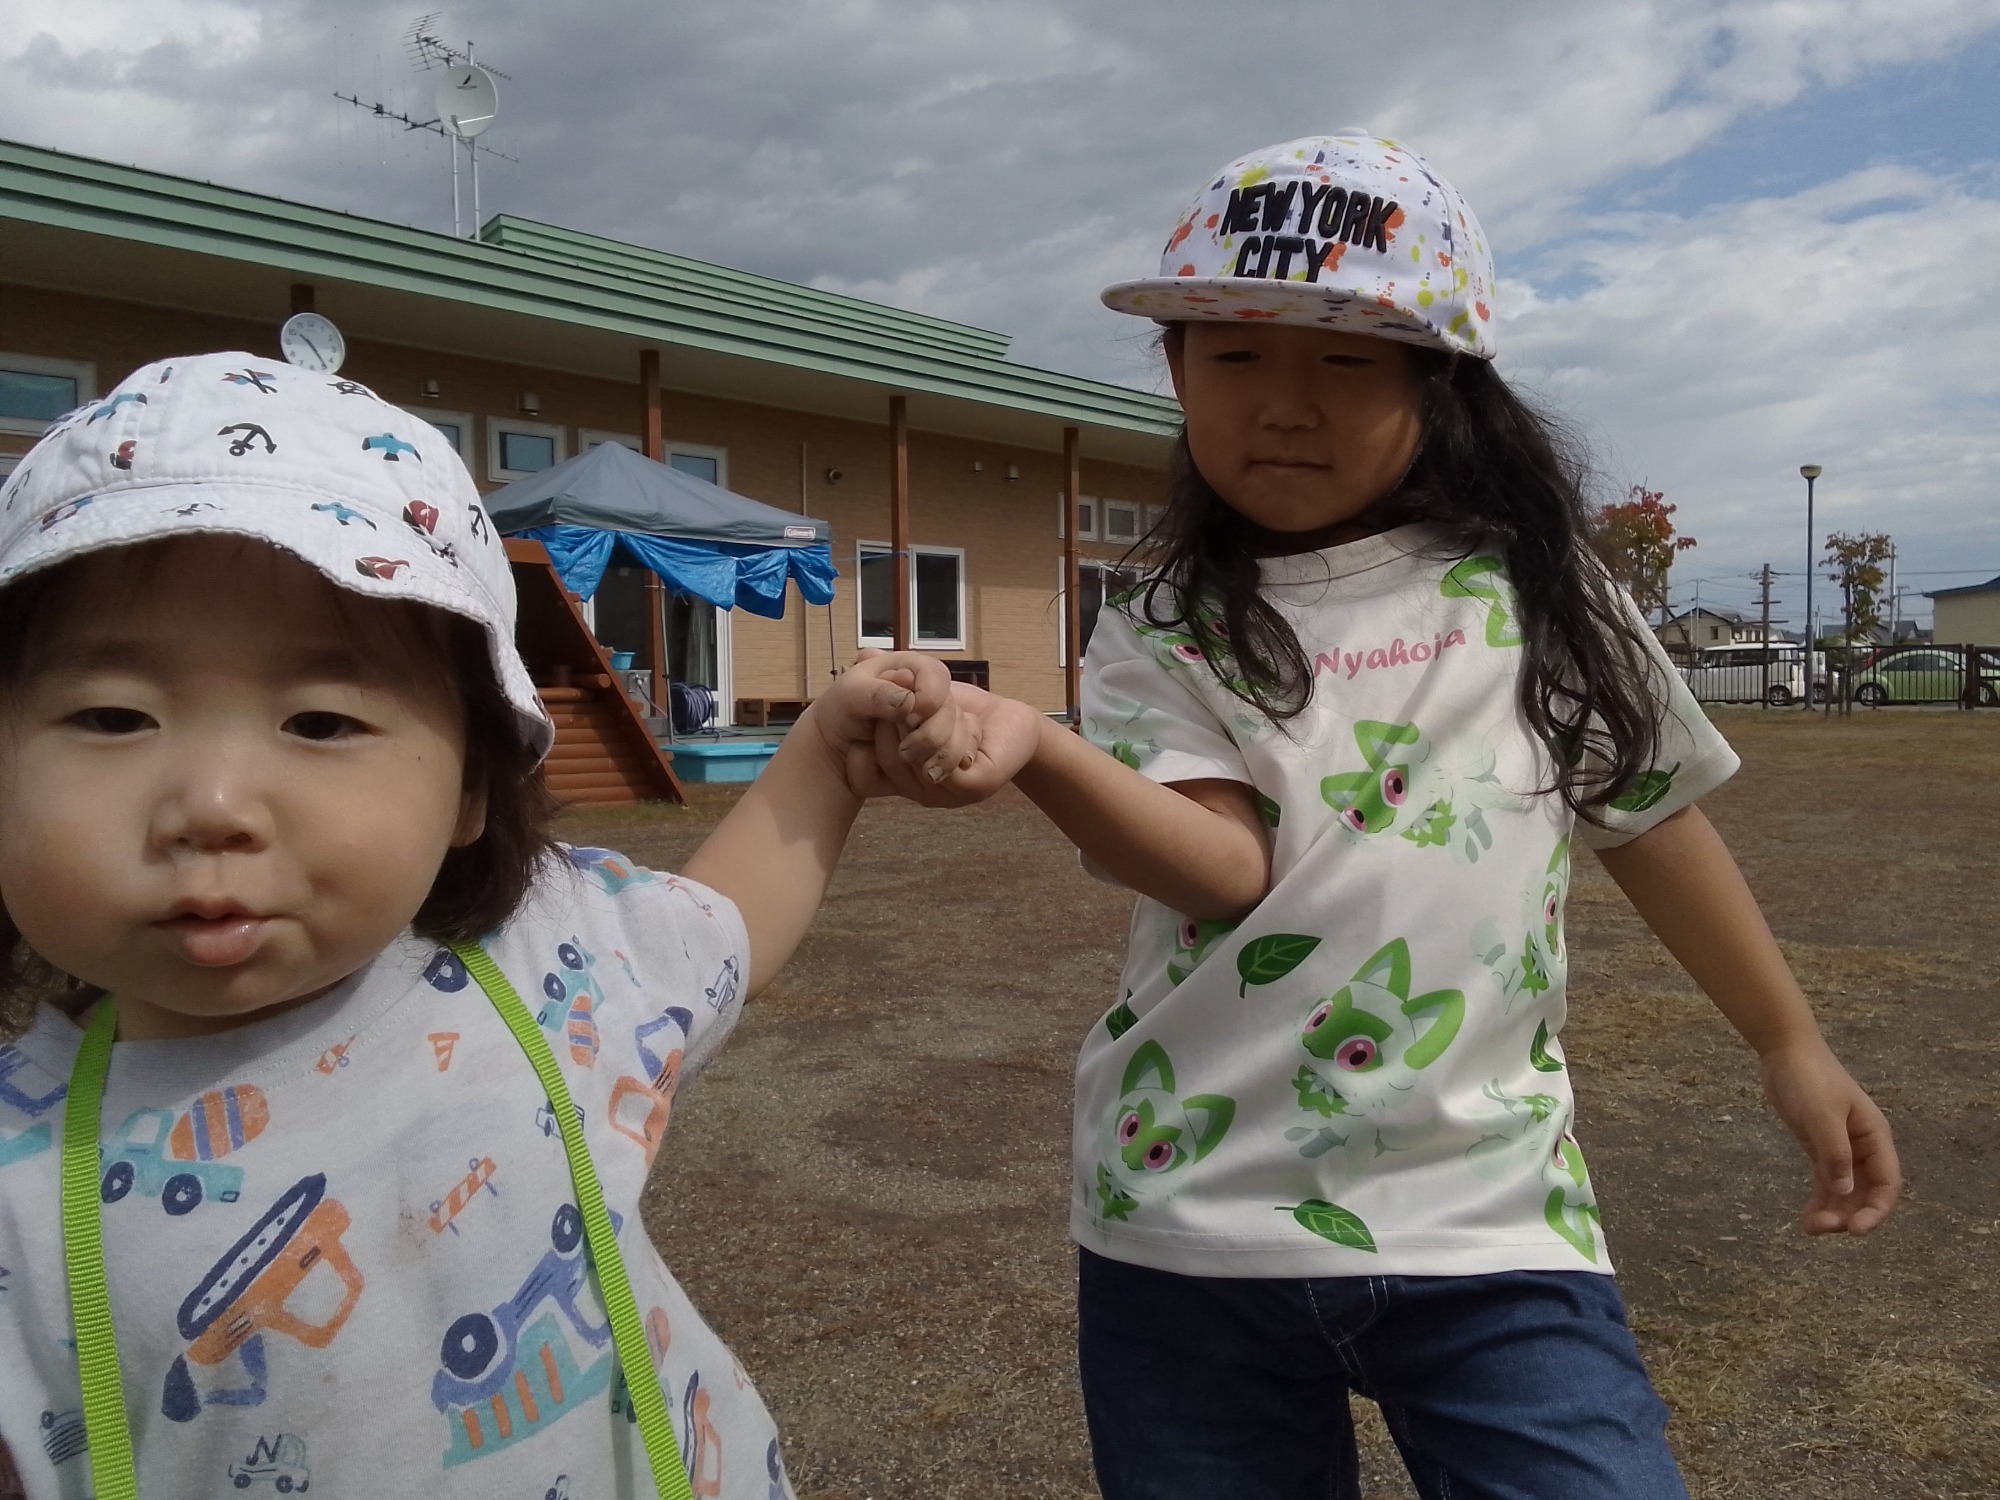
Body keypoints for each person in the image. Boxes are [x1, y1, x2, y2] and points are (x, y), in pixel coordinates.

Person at [884, 135, 1902, 1499]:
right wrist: (1039, 751)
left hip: (1486, 1213)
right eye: (1233, 356)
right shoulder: (1165, 621)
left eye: (1345, 361)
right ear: (1176, 372)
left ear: (1441, 385)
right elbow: (1220, 867)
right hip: (1192, 1221)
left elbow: (1652, 821)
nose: (1284, 404)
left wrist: (1789, 1041)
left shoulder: (1538, 591)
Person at [0, 352, 976, 1500]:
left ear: (473, 781)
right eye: (113, 717)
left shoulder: (542, 960)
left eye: (319, 721)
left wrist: (825, 757)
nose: (212, 805)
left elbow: (726, 931)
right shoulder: (21, 1179)